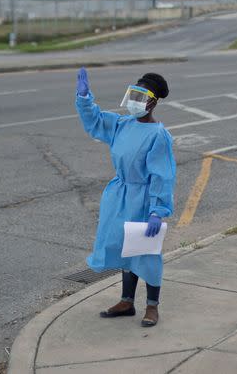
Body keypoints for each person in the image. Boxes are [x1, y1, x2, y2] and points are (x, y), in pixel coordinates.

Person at [75, 67, 175, 327]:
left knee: (147, 253)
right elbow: (96, 121)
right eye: (134, 95)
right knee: (124, 248)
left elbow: (161, 175)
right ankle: (127, 301)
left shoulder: (158, 135)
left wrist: (158, 210)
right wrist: (85, 98)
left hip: (143, 198)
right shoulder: (123, 124)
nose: (135, 102)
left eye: (141, 97)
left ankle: (152, 307)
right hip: (120, 196)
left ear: (153, 102)